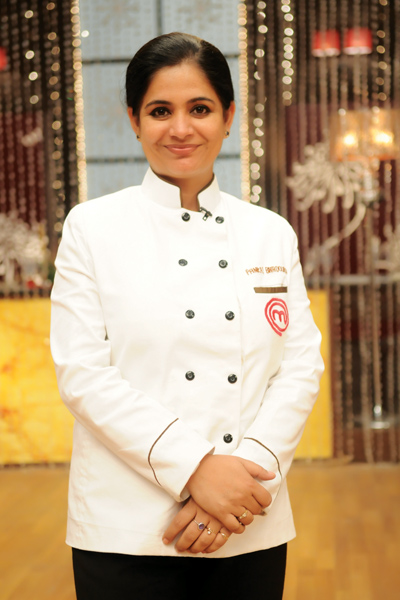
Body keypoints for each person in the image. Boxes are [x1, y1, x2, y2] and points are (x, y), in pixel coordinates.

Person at [50, 32, 324, 600]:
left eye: (199, 109)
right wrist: (198, 469)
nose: (180, 128)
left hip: (249, 515)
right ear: (134, 120)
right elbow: (83, 374)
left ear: (228, 117)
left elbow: (299, 367)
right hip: (126, 528)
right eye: (160, 111)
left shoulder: (269, 232)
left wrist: (243, 477)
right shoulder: (91, 228)